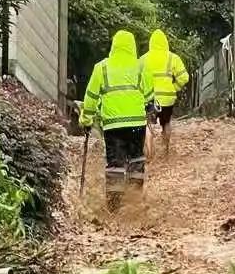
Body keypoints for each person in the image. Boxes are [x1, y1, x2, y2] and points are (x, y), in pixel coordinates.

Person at [80, 30, 154, 206]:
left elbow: (90, 97)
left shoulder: (102, 67)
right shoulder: (141, 67)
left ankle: (114, 204)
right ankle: (134, 198)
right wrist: (148, 108)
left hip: (113, 125)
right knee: (136, 157)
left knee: (115, 162)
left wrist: (86, 119)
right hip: (137, 123)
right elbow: (149, 95)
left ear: (113, 46)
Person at [139, 29, 189, 156]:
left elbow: (137, 78)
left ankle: (149, 150)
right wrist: (174, 87)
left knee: (148, 124)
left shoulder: (143, 59)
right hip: (167, 98)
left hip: (149, 98)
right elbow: (184, 78)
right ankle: (166, 148)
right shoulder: (173, 57)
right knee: (166, 123)